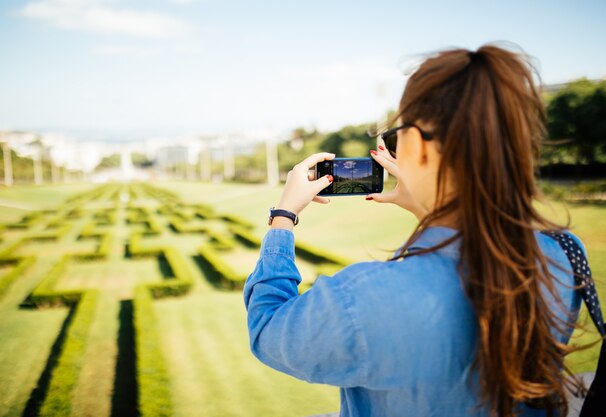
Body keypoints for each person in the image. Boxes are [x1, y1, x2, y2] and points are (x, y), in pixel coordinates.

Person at [243, 44, 587, 417]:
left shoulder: (364, 297)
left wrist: (284, 215)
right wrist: (429, 204)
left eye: (397, 134)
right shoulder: (565, 252)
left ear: (420, 146)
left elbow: (268, 330)